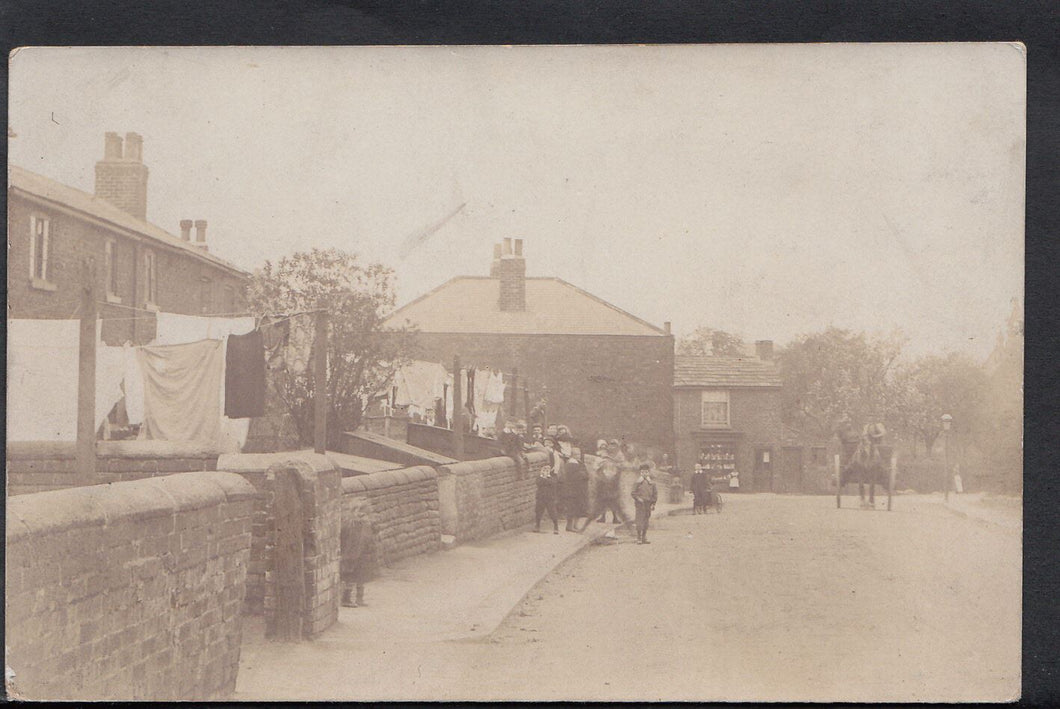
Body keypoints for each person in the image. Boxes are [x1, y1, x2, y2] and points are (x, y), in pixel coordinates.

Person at [578, 443, 631, 531]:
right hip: (603, 498)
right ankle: (583, 528)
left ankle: (632, 530)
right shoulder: (600, 474)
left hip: (613, 497)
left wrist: (617, 495)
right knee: (593, 514)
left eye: (609, 461)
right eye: (606, 462)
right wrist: (597, 497)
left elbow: (618, 485)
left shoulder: (616, 473)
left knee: (622, 514)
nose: (608, 463)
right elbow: (597, 487)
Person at [340, 498, 377, 607]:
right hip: (351, 554)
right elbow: (348, 540)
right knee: (350, 577)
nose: (364, 516)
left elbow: (369, 537)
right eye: (361, 513)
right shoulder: (350, 524)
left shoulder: (365, 525)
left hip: (362, 553)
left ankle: (359, 598)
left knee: (361, 576)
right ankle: (346, 599)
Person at [534, 438, 561, 534]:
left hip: (550, 497)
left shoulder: (552, 478)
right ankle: (537, 525)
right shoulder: (540, 477)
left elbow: (552, 482)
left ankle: (556, 526)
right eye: (545, 443)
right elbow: (538, 482)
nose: (547, 444)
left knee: (552, 512)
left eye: (546, 470)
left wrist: (549, 475)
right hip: (541, 497)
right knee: (538, 512)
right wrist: (543, 476)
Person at [631, 463, 658, 544]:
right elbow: (633, 493)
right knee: (639, 520)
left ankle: (644, 537)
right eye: (642, 472)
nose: (644, 474)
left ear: (649, 473)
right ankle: (638, 537)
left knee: (646, 520)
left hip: (648, 504)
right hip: (640, 504)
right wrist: (639, 499)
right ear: (640, 473)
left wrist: (653, 503)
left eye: (646, 472)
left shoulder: (652, 483)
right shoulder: (637, 482)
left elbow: (655, 494)